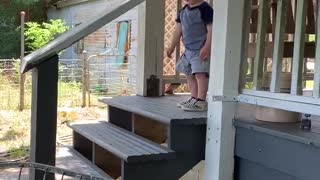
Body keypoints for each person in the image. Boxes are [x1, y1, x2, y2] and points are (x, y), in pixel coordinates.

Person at [166, 0, 213, 111]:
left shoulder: (205, 8)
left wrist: (207, 47)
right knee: (189, 75)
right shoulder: (182, 11)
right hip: (188, 50)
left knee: (200, 74)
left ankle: (201, 101)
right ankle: (194, 98)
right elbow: (178, 31)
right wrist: (171, 47)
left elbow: (211, 30)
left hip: (200, 50)